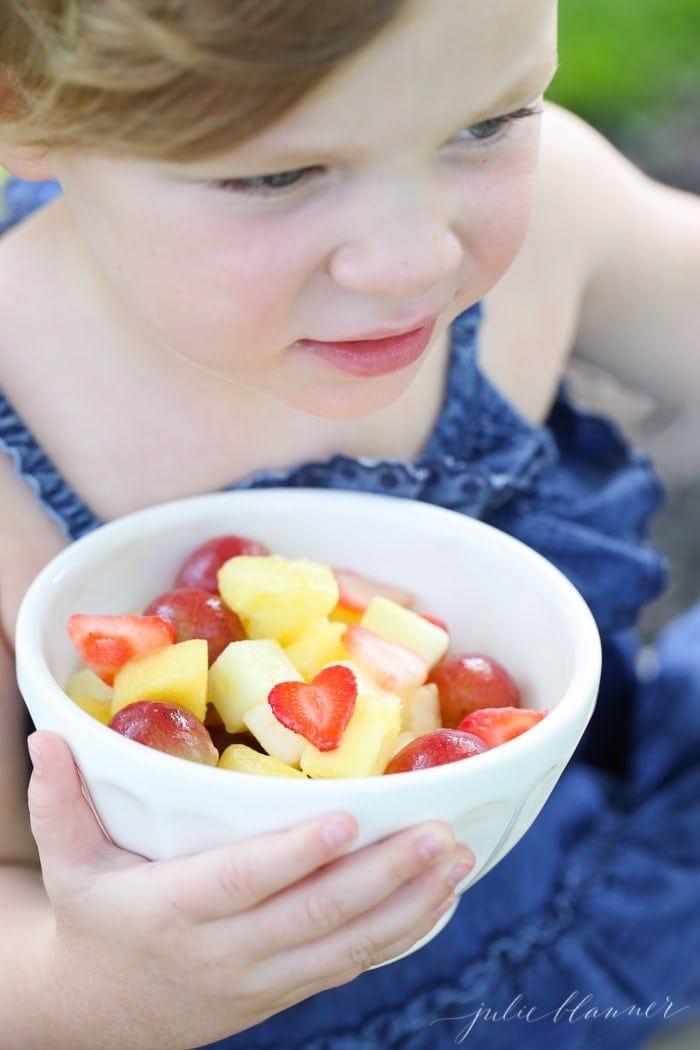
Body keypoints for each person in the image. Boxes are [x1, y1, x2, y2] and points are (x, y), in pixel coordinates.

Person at [1, 1, 699, 1046]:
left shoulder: (558, 215)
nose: (413, 260)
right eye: (277, 176)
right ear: (22, 108)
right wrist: (91, 991)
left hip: (587, 884)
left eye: (489, 122)